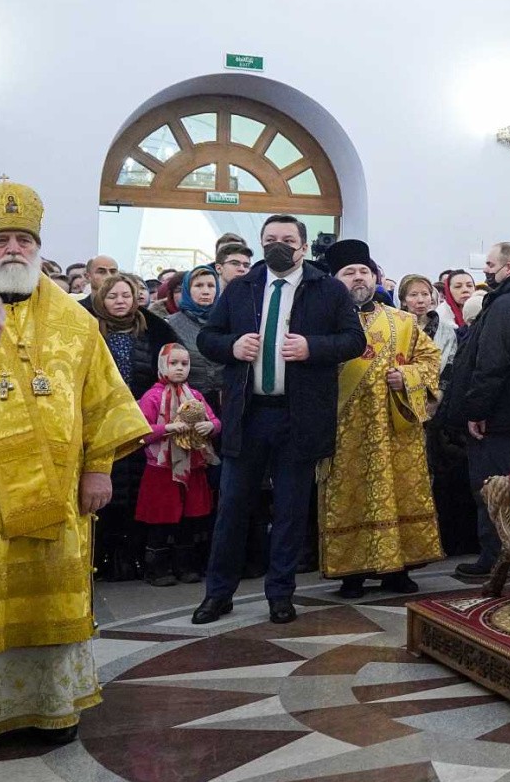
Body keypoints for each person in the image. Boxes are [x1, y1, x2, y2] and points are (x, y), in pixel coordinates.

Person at [0, 181, 150, 745]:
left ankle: (52, 708)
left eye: (24, 239)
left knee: (49, 600)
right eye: (1, 240)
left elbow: (102, 399)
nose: (13, 249)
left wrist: (98, 467)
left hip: (60, 498)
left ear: (39, 247)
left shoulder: (76, 321)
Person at [190, 215, 366, 626]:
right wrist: (232, 345)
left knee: (289, 510)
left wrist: (313, 347)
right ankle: (218, 593)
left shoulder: (328, 289)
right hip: (248, 414)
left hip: (299, 417)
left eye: (287, 239)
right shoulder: (241, 287)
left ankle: (280, 593)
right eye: (270, 239)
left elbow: (355, 340)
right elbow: (207, 338)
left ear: (303, 246)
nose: (278, 245)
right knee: (232, 507)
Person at [318, 240, 443, 598]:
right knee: (348, 497)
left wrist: (408, 377)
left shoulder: (402, 322)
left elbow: (431, 361)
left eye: (364, 272)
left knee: (399, 493)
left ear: (375, 277)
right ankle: (351, 574)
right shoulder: (323, 322)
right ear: (335, 279)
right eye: (349, 273)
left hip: (395, 428)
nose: (358, 278)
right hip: (343, 429)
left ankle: (397, 570)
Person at [444, 242, 510, 583]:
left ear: (507, 268)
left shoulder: (506, 305)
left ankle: (495, 557)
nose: (485, 271)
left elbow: (491, 363)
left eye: (490, 264)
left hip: (497, 416)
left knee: (492, 489)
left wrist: (476, 409)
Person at [86, 272, 178, 581]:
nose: (120, 301)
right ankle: (104, 558)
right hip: (101, 418)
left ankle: (133, 555)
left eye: (126, 295)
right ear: (101, 299)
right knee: (109, 489)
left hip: (143, 419)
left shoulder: (153, 328)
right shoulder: (87, 327)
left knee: (138, 489)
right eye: (113, 296)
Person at [135, 344, 221, 588]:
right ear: (162, 365)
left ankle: (186, 566)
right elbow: (140, 431)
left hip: (193, 465)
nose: (180, 368)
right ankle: (156, 568)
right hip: (162, 468)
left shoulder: (196, 396)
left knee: (189, 519)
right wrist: (168, 428)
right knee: (161, 520)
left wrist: (211, 427)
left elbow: (213, 419)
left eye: (185, 364)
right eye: (174, 363)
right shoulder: (152, 397)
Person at [164, 265, 226, 409]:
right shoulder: (171, 324)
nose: (205, 291)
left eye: (211, 286)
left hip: (223, 401)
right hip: (184, 402)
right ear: (187, 290)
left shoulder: (226, 320)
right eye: (198, 285)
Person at [402, 272, 458, 366]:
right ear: (403, 300)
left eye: (425, 294)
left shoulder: (446, 330)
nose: (420, 300)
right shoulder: (394, 327)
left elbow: (450, 363)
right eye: (413, 295)